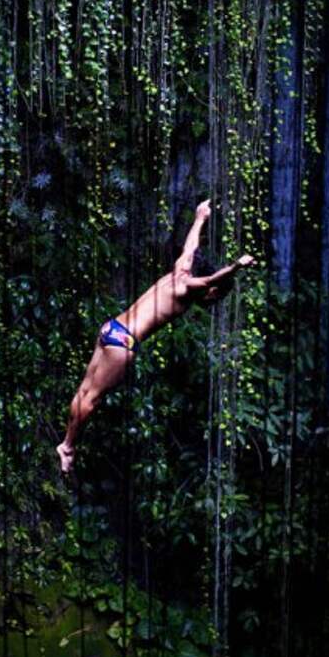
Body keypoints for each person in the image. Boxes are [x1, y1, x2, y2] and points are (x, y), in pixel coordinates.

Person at [56, 199, 256, 472]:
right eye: (215, 298)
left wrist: (200, 217)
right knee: (92, 400)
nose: (212, 301)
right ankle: (67, 447)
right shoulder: (187, 287)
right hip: (122, 342)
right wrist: (236, 267)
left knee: (85, 390)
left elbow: (191, 247)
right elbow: (210, 281)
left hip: (110, 328)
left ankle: (67, 444)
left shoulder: (180, 269)